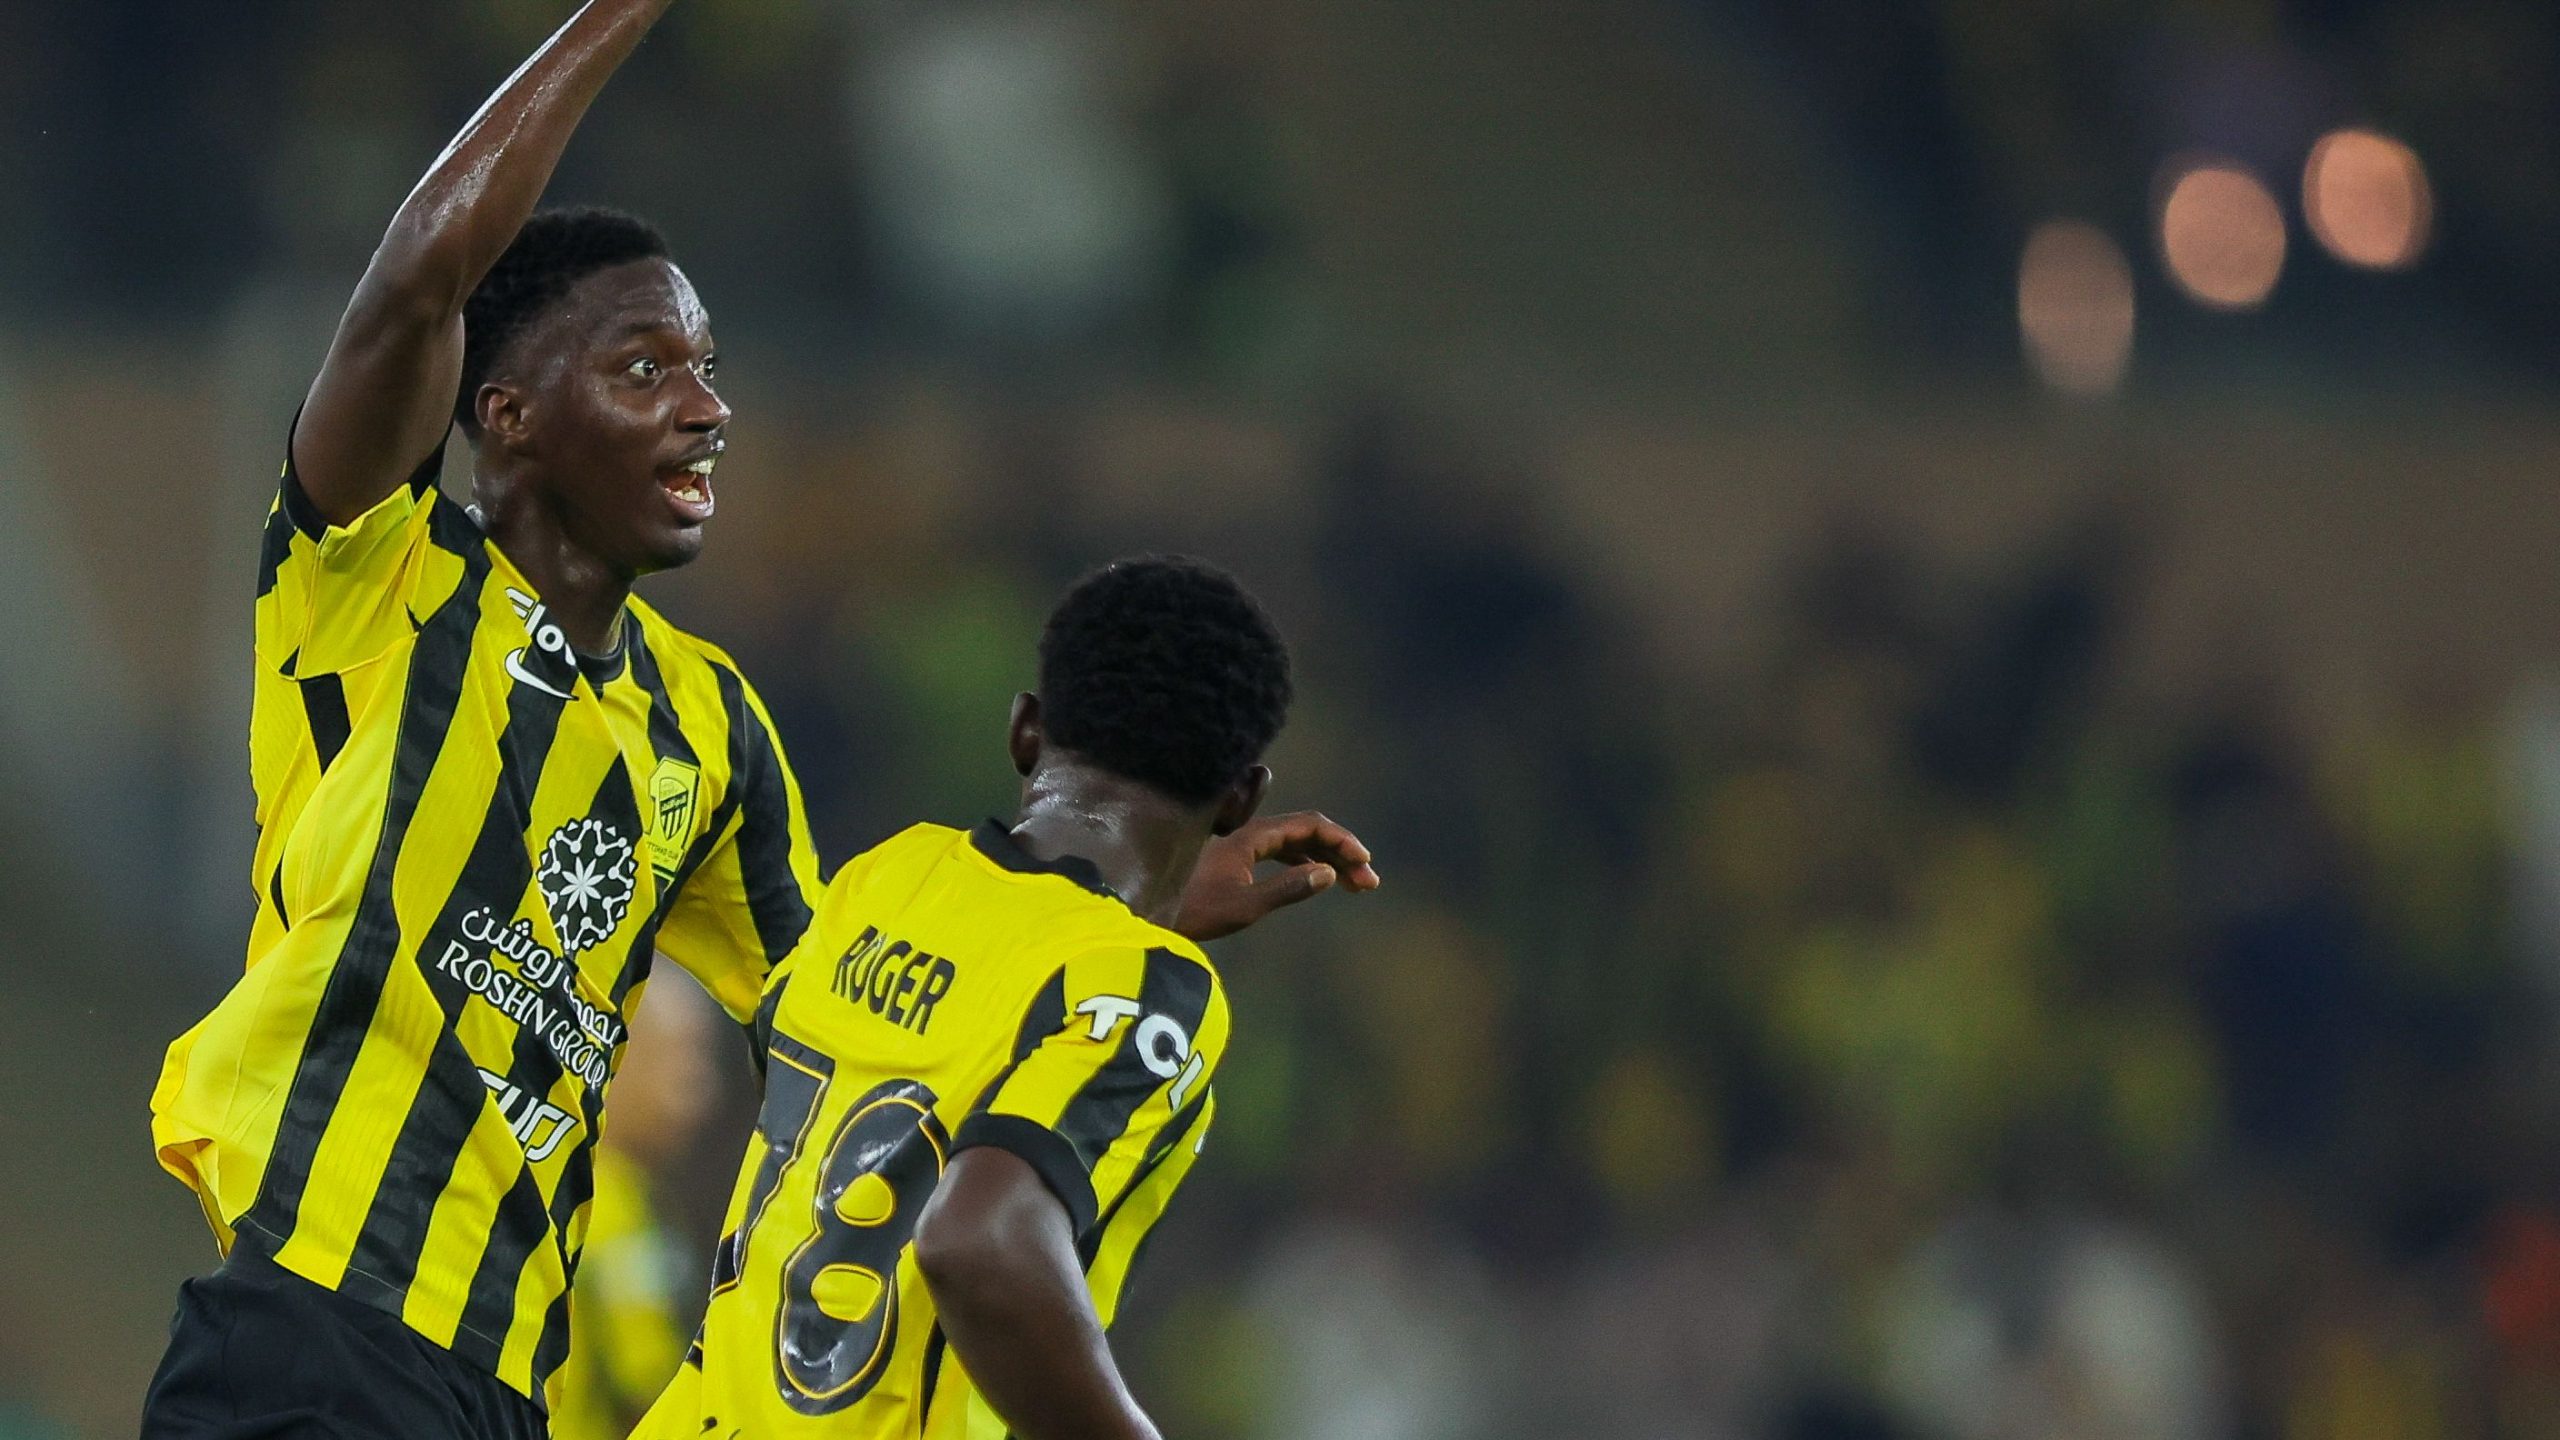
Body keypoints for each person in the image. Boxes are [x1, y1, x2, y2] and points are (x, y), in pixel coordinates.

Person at [140, 5, 1375, 1437]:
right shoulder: (379, 573)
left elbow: (868, 991)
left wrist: (1140, 892)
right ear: (508, 411)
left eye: (708, 369)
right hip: (310, 1329)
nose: (707, 410)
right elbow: (419, 281)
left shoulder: (708, 726)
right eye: (645, 370)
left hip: (500, 1391)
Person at [638, 556, 1357, 1440]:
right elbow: (981, 1242)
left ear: (1025, 731)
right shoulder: (1146, 987)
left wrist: (1138, 920)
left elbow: (832, 1078)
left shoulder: (888, 878)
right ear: (1241, 796)